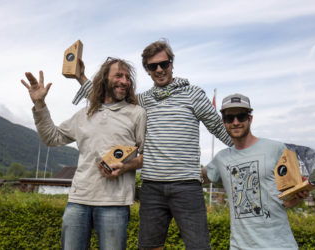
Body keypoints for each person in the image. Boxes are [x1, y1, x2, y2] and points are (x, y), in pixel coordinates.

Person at [72, 40, 232, 250]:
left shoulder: (193, 95)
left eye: (163, 64)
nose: (159, 69)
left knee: (199, 247)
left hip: (187, 185)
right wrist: (81, 78)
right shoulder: (143, 101)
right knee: (149, 247)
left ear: (171, 64)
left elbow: (219, 128)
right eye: (152, 66)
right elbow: (108, 97)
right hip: (152, 187)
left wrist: (248, 148)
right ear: (147, 70)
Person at [20, 57, 146, 250]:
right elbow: (52, 138)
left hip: (115, 203)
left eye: (128, 77)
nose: (125, 81)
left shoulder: (137, 113)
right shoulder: (84, 114)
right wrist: (39, 105)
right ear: (104, 80)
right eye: (119, 75)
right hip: (78, 200)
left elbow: (149, 156)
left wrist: (126, 167)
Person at [203, 93, 309, 249]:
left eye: (241, 116)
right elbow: (194, 179)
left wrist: (297, 197)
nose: (236, 122)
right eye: (229, 118)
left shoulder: (276, 149)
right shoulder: (221, 159)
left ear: (250, 119)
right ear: (223, 122)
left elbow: (289, 199)